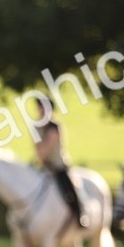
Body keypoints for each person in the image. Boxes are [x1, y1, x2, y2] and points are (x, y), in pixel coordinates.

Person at [33, 97, 88, 228]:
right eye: (40, 108)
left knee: (69, 186)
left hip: (58, 166)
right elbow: (37, 149)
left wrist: (41, 155)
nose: (41, 111)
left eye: (44, 108)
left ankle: (80, 214)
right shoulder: (36, 127)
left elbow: (45, 149)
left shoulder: (54, 127)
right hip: (43, 165)